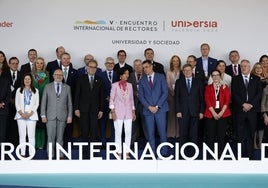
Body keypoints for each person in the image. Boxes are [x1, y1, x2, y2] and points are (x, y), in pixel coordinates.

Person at [231, 59, 262, 159]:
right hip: (240, 111)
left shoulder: (256, 79)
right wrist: (243, 104)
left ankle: (250, 155)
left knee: (251, 133)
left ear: (249, 67)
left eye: (245, 66)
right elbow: (234, 94)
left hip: (252, 111)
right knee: (240, 134)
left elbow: (259, 94)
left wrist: (250, 105)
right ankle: (240, 155)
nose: (243, 68)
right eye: (242, 66)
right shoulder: (235, 79)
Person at [74, 59, 104, 159]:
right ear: (87, 68)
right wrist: (76, 108)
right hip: (83, 110)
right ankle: (85, 154)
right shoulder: (81, 78)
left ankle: (93, 154)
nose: (92, 69)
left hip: (95, 111)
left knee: (94, 132)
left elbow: (101, 96)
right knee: (84, 132)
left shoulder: (99, 79)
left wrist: (101, 110)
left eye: (94, 67)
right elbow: (77, 94)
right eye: (90, 67)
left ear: (96, 69)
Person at [139, 60, 169, 157]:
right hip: (148, 111)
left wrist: (157, 106)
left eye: (147, 67)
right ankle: (152, 153)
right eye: (143, 68)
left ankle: (164, 153)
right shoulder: (142, 79)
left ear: (151, 66)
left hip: (160, 109)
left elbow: (165, 93)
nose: (145, 69)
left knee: (162, 132)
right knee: (150, 134)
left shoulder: (161, 77)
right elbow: (141, 96)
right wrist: (149, 107)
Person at [40, 69, 72, 159]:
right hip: (50, 116)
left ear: (63, 76)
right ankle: (50, 155)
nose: (58, 76)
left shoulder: (67, 87)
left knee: (60, 138)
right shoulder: (47, 86)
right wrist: (43, 115)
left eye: (60, 75)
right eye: (56, 74)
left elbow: (69, 103)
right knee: (50, 138)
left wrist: (70, 116)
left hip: (63, 116)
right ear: (53, 76)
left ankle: (60, 155)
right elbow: (43, 102)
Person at [175, 64, 204, 150]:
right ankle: (183, 153)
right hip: (182, 112)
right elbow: (177, 97)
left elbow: (201, 98)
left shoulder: (198, 81)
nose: (187, 72)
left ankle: (193, 152)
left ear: (192, 71)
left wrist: (201, 111)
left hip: (195, 111)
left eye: (189, 70)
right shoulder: (179, 82)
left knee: (194, 133)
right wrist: (178, 111)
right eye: (185, 70)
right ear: (183, 72)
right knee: (183, 133)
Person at [204, 70, 231, 158]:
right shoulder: (208, 87)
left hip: (223, 112)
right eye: (214, 75)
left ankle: (220, 155)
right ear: (211, 77)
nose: (215, 77)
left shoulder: (224, 87)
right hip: (211, 112)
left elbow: (227, 100)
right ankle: (210, 155)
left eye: (217, 75)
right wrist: (214, 113)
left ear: (220, 76)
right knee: (211, 135)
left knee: (221, 135)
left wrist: (221, 112)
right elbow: (207, 100)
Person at [109, 67, 136, 159]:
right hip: (117, 112)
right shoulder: (115, 85)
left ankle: (127, 152)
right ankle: (119, 151)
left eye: (128, 74)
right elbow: (111, 99)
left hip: (128, 112)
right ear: (120, 75)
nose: (127, 75)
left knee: (128, 132)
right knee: (118, 132)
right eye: (125, 74)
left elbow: (132, 99)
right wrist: (112, 111)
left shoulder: (130, 85)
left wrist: (133, 111)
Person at [15, 73, 39, 157]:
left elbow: (36, 104)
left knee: (31, 136)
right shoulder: (19, 90)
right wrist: (21, 113)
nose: (27, 80)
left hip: (31, 116)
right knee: (22, 136)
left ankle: (31, 154)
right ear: (23, 80)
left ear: (31, 80)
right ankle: (23, 154)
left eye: (29, 79)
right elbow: (16, 103)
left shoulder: (36, 90)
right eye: (25, 79)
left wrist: (30, 113)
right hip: (20, 116)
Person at [32, 57, 50, 149]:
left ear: (44, 65)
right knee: (34, 123)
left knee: (43, 123)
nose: (39, 65)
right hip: (33, 103)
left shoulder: (47, 75)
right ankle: (34, 144)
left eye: (41, 63)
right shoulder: (31, 75)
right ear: (35, 64)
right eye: (37, 63)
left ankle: (41, 145)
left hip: (44, 102)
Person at [128, 59, 147, 143]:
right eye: (136, 65)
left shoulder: (147, 75)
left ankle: (149, 144)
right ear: (133, 66)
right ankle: (131, 143)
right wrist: (134, 93)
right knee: (133, 125)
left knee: (146, 125)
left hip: (145, 105)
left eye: (139, 65)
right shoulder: (129, 76)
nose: (138, 67)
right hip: (133, 105)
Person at [100, 57, 117, 146]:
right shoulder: (100, 74)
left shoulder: (118, 75)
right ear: (105, 64)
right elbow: (99, 89)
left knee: (115, 123)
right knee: (103, 123)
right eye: (108, 63)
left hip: (116, 104)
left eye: (112, 63)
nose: (110, 65)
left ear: (114, 65)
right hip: (104, 103)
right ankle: (102, 142)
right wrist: (106, 97)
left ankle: (113, 142)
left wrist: (113, 98)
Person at [6, 57, 21, 146]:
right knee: (7, 125)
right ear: (9, 64)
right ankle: (7, 146)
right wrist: (9, 99)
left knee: (16, 125)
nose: (15, 65)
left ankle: (16, 145)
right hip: (6, 104)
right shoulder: (4, 74)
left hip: (17, 104)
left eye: (16, 63)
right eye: (13, 63)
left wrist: (16, 99)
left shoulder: (21, 74)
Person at [251, 62, 267, 149]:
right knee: (253, 125)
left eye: (260, 67)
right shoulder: (251, 79)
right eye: (256, 67)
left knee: (261, 126)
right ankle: (254, 144)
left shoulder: (265, 80)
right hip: (254, 105)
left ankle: (260, 143)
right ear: (254, 69)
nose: (258, 69)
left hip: (263, 105)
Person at [166, 55, 181, 138]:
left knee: (179, 115)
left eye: (177, 60)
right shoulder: (168, 72)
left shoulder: (182, 71)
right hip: (171, 96)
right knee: (171, 115)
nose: (175, 62)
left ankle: (178, 133)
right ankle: (171, 134)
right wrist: (173, 93)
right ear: (171, 62)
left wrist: (178, 94)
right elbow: (168, 84)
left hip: (180, 97)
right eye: (174, 61)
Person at [0, 51, 11, 145]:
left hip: (3, 108)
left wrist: (2, 103)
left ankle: (1, 154)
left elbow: (8, 92)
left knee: (2, 133)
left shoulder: (7, 71)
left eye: (2, 56)